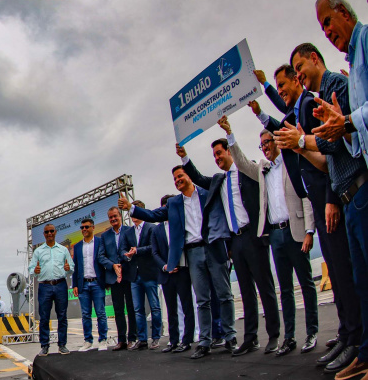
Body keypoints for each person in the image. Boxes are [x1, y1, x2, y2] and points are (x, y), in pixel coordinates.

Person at [252, 59, 361, 367]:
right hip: (319, 198)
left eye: (287, 82)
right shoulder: (298, 109)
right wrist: (263, 104)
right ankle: (347, 333)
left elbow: (331, 154)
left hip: (330, 198)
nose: (288, 87)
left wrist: (328, 199)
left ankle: (355, 338)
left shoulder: (312, 104)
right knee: (338, 277)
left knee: (343, 273)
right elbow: (286, 127)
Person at [221, 116, 319, 356]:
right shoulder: (263, 170)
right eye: (261, 145)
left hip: (295, 232)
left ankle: (312, 332)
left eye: (267, 142)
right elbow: (242, 163)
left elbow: (305, 196)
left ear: (276, 141)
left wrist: (309, 230)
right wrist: (230, 134)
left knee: (306, 284)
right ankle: (290, 337)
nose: (264, 147)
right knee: (285, 288)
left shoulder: (291, 163)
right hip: (275, 236)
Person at [121, 161, 234, 360]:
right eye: (174, 179)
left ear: (189, 175)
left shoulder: (207, 193)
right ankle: (205, 341)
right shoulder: (174, 204)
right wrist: (132, 208)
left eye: (180, 176)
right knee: (202, 300)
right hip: (193, 253)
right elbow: (153, 215)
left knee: (224, 294)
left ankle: (230, 336)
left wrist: (230, 245)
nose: (177, 180)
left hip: (213, 247)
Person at [179, 136, 281, 356]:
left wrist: (231, 136)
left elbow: (245, 165)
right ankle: (251, 338)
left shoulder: (246, 171)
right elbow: (196, 177)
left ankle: (273, 335)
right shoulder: (219, 181)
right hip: (235, 241)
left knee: (265, 287)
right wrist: (184, 157)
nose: (217, 158)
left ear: (229, 152)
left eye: (219, 153)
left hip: (254, 236)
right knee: (245, 291)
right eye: (214, 155)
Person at [150, 194, 195, 353]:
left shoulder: (181, 224)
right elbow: (154, 252)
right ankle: (173, 340)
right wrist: (165, 266)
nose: (165, 209)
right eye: (163, 207)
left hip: (182, 271)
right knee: (171, 310)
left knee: (187, 306)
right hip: (166, 274)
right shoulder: (157, 229)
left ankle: (188, 339)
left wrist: (176, 263)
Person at [28, 223, 74, 356]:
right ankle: (44, 346)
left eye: (51, 231)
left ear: (55, 232)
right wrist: (34, 270)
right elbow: (31, 269)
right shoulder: (38, 251)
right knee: (44, 317)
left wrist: (68, 269)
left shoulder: (63, 250)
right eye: (47, 232)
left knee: (62, 316)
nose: (49, 234)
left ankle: (62, 345)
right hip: (44, 285)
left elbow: (71, 266)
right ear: (44, 234)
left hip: (60, 284)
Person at [98, 208, 139, 351]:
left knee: (132, 308)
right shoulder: (105, 236)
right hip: (113, 278)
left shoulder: (130, 230)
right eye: (110, 217)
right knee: (118, 310)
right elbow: (101, 256)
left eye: (115, 216)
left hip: (128, 275)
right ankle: (121, 340)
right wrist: (112, 266)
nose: (113, 219)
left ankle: (132, 338)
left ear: (120, 216)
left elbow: (134, 249)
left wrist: (127, 259)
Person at [72, 218, 108, 352]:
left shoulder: (99, 242)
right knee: (86, 314)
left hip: (97, 283)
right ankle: (88, 341)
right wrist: (75, 284)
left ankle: (103, 340)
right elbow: (75, 267)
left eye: (86, 227)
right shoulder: (77, 246)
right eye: (82, 228)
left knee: (101, 313)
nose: (84, 230)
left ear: (93, 227)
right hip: (83, 285)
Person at [130, 202, 163, 350]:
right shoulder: (129, 232)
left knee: (155, 307)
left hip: (149, 273)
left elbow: (153, 248)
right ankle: (142, 339)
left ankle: (155, 337)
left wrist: (137, 251)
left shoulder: (152, 228)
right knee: (138, 310)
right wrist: (127, 254)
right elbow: (124, 249)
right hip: (135, 276)